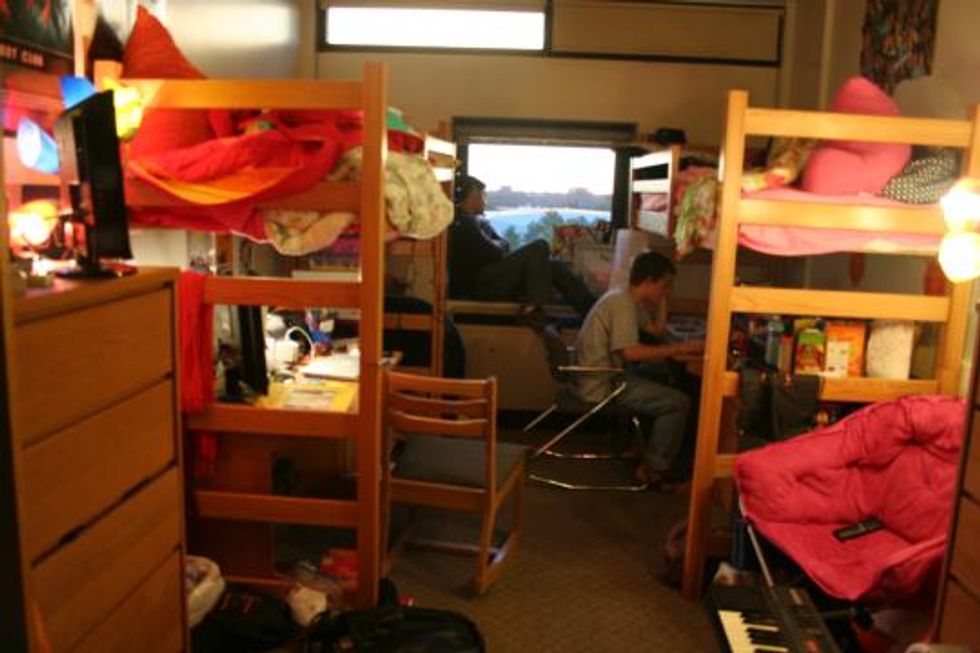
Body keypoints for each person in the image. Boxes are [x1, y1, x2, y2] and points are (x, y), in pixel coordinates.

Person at [574, 251, 704, 487]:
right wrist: (680, 348)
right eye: (664, 285)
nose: (666, 291)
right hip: (603, 383)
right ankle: (654, 469)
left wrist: (662, 299)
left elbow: (657, 330)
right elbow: (631, 353)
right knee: (679, 403)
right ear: (648, 281)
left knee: (661, 373)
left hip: (604, 375)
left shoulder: (626, 298)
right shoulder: (622, 304)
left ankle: (640, 448)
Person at [448, 175, 596, 321]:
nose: (483, 200)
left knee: (553, 266)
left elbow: (504, 244)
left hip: (492, 279)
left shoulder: (479, 222)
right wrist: (498, 244)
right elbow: (496, 252)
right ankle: (533, 308)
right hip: (482, 287)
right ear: (469, 198)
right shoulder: (464, 222)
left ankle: (593, 311)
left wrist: (498, 244)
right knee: (540, 246)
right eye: (480, 195)